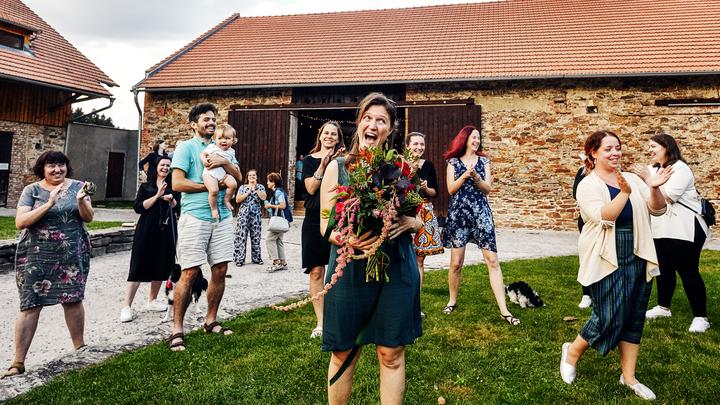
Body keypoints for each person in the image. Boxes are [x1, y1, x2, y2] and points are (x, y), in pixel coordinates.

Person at [320, 92, 422, 404]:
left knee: (391, 352)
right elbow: (325, 224)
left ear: (390, 129)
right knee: (343, 351)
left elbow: (420, 219)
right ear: (359, 123)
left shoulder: (403, 170)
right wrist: (345, 239)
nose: (373, 125)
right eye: (368, 118)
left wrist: (410, 222)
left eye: (381, 120)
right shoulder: (339, 167)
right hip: (350, 267)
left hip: (396, 264)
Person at [561, 131, 671, 401]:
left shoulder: (632, 178)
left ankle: (629, 377)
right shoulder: (588, 184)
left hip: (638, 250)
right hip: (605, 254)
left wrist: (653, 187)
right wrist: (624, 193)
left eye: (618, 148)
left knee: (634, 314)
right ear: (593, 153)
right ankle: (572, 351)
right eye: (608, 148)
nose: (615, 153)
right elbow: (603, 217)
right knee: (609, 314)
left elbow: (658, 210)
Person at [2, 151, 93, 378]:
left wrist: (80, 201)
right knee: (30, 305)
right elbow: (20, 222)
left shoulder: (79, 187)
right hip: (36, 257)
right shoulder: (31, 191)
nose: (57, 169)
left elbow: (88, 217)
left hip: (71, 255)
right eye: (51, 165)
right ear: (42, 169)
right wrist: (49, 203)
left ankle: (81, 351)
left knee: (73, 300)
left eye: (61, 165)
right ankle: (17, 362)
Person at [167, 103, 241, 351]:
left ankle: (211, 320)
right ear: (193, 124)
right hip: (195, 216)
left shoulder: (224, 147)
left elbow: (238, 177)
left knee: (220, 269)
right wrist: (211, 187)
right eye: (205, 119)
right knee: (189, 272)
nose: (211, 122)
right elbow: (177, 184)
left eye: (213, 119)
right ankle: (177, 329)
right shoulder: (186, 147)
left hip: (222, 216)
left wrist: (225, 163)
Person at [631, 133, 710, 333]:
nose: (649, 150)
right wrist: (647, 180)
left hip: (685, 227)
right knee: (664, 268)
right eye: (649, 146)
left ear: (666, 147)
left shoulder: (680, 169)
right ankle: (663, 307)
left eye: (653, 146)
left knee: (688, 270)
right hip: (660, 227)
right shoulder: (653, 169)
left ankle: (701, 317)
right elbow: (641, 193)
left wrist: (648, 180)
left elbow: (666, 197)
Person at [440, 125, 519, 325]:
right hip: (459, 216)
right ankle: (452, 300)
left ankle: (504, 310)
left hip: (481, 215)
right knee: (456, 263)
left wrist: (476, 177)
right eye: (473, 138)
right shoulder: (453, 162)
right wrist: (464, 175)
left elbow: (487, 189)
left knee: (492, 260)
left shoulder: (484, 162)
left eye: (478, 138)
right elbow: (451, 189)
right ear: (465, 139)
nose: (477, 141)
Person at [120, 156, 180, 322]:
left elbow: (178, 208)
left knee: (161, 263)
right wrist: (158, 195)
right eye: (162, 165)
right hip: (147, 229)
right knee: (138, 265)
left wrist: (172, 200)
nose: (165, 168)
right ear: (156, 167)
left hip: (166, 230)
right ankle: (126, 306)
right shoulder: (146, 187)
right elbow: (138, 207)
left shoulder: (173, 187)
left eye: (168, 166)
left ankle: (152, 300)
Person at [301, 121, 345, 338]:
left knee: (340, 269)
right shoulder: (309, 161)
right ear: (320, 136)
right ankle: (321, 322)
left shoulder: (343, 161)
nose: (329, 136)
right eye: (326, 133)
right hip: (313, 219)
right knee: (316, 271)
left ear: (338, 138)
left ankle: (340, 314)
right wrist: (323, 165)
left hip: (338, 219)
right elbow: (310, 188)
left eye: (333, 134)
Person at [406, 132, 443, 318]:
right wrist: (410, 174)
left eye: (422, 144)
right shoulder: (401, 165)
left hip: (425, 211)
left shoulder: (428, 165)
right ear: (408, 146)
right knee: (402, 258)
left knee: (419, 260)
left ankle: (415, 305)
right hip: (405, 212)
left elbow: (435, 192)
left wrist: (425, 188)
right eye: (415, 144)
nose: (419, 147)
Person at [201, 124, 238, 220]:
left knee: (233, 184)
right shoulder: (212, 147)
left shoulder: (232, 151)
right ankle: (214, 209)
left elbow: (234, 167)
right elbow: (203, 154)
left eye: (227, 138)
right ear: (215, 139)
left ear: (233, 140)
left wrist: (231, 166)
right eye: (220, 138)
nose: (223, 141)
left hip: (223, 175)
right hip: (210, 174)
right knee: (214, 190)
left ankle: (226, 200)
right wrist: (204, 160)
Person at [234, 169, 267, 266]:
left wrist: (256, 188)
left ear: (256, 177)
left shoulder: (260, 187)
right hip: (243, 214)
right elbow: (237, 200)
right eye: (250, 175)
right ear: (247, 177)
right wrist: (248, 192)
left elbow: (264, 197)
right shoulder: (243, 187)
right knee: (241, 236)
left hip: (256, 214)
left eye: (254, 175)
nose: (252, 177)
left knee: (256, 236)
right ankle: (239, 259)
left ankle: (256, 258)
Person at [572, 164, 593, 309]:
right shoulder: (583, 171)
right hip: (587, 220)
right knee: (586, 256)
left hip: (609, 219)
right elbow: (576, 193)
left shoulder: (617, 171)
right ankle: (587, 294)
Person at [265, 172, 289, 272]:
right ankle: (283, 262)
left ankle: (276, 262)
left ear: (273, 182)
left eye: (268, 181)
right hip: (281, 221)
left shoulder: (278, 192)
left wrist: (270, 206)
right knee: (278, 240)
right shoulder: (279, 191)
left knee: (269, 240)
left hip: (278, 221)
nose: (267, 183)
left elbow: (282, 205)